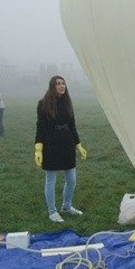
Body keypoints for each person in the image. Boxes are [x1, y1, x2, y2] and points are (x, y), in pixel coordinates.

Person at [34, 75, 88, 222]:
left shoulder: (67, 103)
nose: (61, 86)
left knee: (71, 179)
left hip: (67, 144)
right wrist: (38, 148)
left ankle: (66, 206)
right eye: (58, 84)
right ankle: (52, 212)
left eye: (63, 83)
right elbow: (40, 127)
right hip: (51, 145)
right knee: (50, 179)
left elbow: (72, 125)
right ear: (52, 86)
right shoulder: (43, 104)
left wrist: (78, 145)